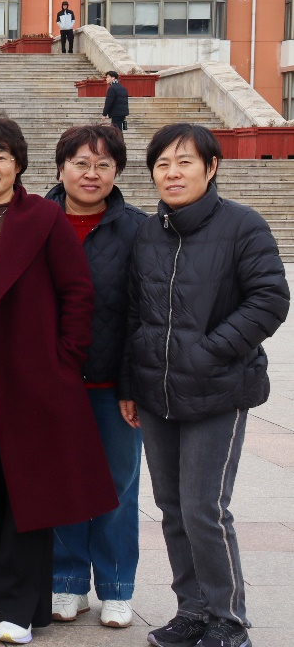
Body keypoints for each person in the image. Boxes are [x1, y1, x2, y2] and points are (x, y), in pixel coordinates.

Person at [0, 115, 117, 645]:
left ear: (19, 164)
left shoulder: (45, 217)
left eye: (0, 156)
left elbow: (78, 294)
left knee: (32, 495)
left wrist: (63, 360)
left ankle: (20, 610)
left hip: (37, 381)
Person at [122, 124, 289, 647]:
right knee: (172, 509)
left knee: (204, 508)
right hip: (157, 393)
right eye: (162, 164)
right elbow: (133, 313)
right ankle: (192, 611)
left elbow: (270, 299)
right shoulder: (148, 233)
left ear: (211, 167)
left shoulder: (243, 225)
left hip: (218, 390)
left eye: (185, 162)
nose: (172, 173)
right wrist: (131, 382)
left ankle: (228, 621)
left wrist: (210, 351)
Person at [43, 125, 147, 630]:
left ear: (117, 172)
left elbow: (144, 313)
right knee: (59, 482)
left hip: (113, 387)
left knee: (117, 487)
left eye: (103, 165)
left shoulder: (138, 229)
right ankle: (65, 582)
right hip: (53, 382)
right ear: (61, 167)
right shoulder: (35, 221)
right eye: (81, 163)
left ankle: (117, 587)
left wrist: (131, 384)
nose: (91, 174)